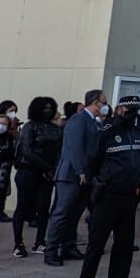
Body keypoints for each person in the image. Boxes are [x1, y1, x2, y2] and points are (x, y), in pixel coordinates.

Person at [74, 96, 140, 278]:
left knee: (124, 245)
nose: (132, 115)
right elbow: (91, 161)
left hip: (128, 195)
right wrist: (95, 183)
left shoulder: (135, 132)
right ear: (119, 109)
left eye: (135, 111)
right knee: (96, 246)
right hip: (107, 195)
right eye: (128, 110)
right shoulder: (106, 132)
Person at [44, 89, 106, 266]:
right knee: (62, 212)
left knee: (75, 213)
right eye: (103, 102)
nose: (105, 106)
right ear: (95, 102)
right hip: (71, 174)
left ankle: (68, 246)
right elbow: (74, 148)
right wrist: (80, 171)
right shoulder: (78, 120)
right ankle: (51, 249)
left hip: (86, 174)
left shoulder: (95, 122)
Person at [12, 97, 63, 257]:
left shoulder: (55, 129)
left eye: (50, 108)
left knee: (43, 207)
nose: (48, 111)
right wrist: (46, 167)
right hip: (29, 170)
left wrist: (53, 168)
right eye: (44, 108)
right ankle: (18, 243)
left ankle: (40, 241)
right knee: (23, 206)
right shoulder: (29, 127)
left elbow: (60, 149)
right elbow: (27, 150)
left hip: (47, 173)